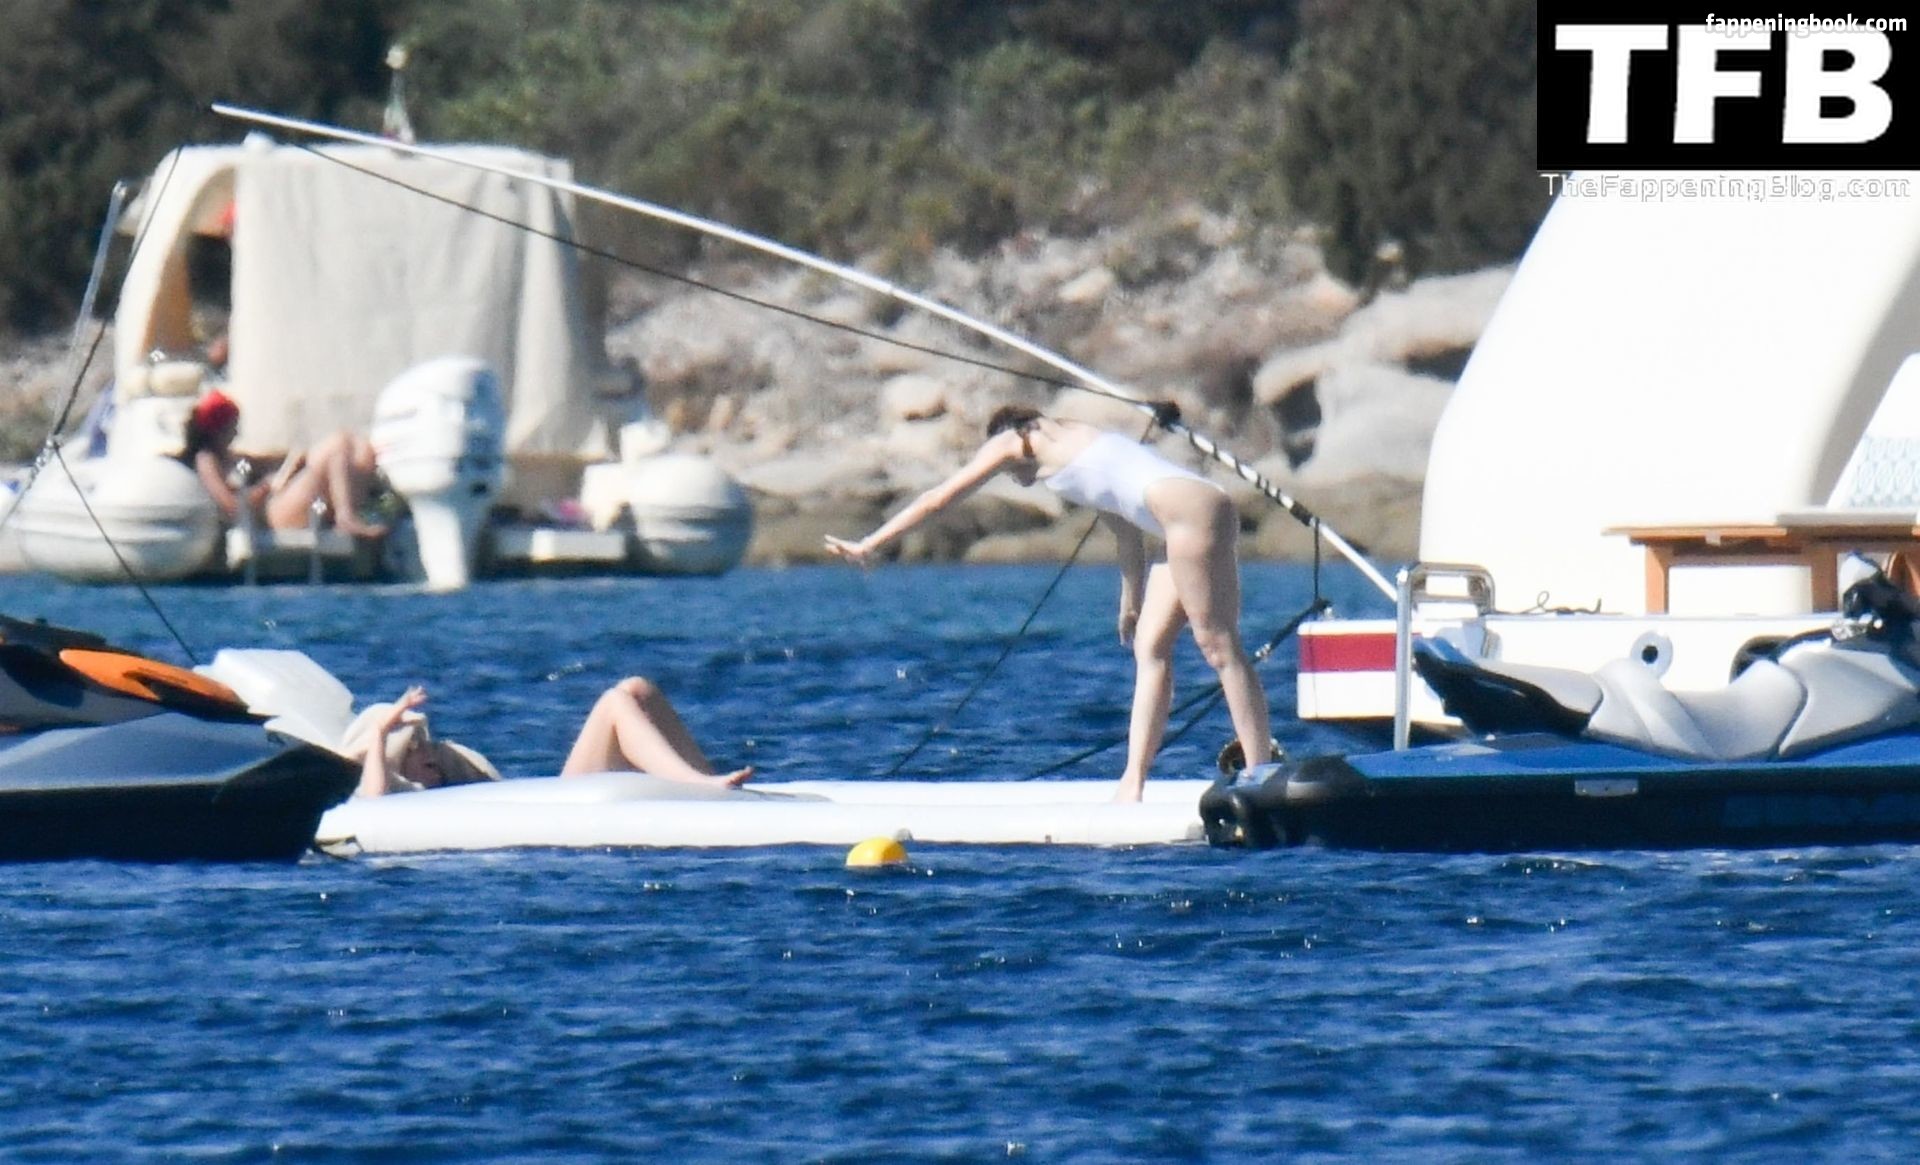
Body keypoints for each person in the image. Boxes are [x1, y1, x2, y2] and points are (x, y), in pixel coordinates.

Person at [825, 404, 1271, 802]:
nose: (1012, 477)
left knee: (1217, 646)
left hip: (1187, 513)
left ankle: (1259, 772)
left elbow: (939, 498)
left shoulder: (1013, 439)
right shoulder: (1077, 445)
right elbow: (1126, 533)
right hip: (1187, 512)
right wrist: (1130, 599)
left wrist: (872, 543)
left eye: (1008, 470)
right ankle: (1132, 783)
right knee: (1150, 647)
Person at [345, 679, 753, 799]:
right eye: (412, 748)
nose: (428, 754)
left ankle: (706, 781)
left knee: (636, 689)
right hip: (566, 802)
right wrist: (380, 733)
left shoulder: (452, 769)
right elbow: (373, 790)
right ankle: (700, 784)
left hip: (555, 792)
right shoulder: (399, 792)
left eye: (425, 742)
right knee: (614, 703)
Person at [177, 389, 389, 538]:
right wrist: (265, 488)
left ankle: (350, 514)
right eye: (232, 426)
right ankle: (346, 518)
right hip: (268, 517)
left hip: (277, 506)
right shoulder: (207, 461)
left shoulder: (230, 456)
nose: (236, 432)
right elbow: (233, 507)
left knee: (356, 445)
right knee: (337, 444)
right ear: (217, 429)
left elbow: (267, 462)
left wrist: (291, 466)